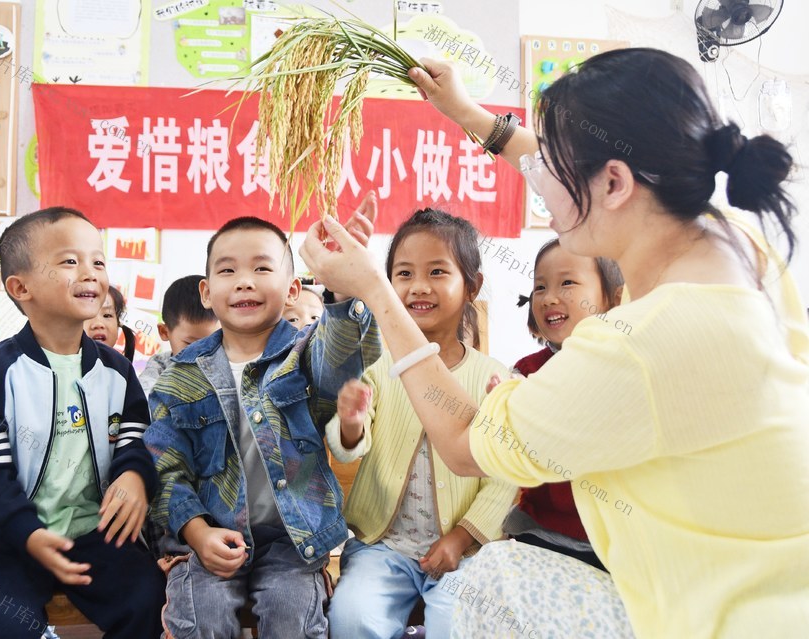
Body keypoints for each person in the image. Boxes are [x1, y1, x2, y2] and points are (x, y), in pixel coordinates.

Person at [299, 48, 809, 638]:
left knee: (495, 579)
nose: (544, 188)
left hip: (731, 617)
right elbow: (554, 167)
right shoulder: (731, 239)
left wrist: (373, 290)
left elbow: (465, 443)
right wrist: (468, 114)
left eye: (559, 171)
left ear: (614, 181)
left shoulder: (635, 348)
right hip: (781, 579)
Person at [144, 213, 381, 639]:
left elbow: (342, 357)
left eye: (262, 267)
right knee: (201, 617)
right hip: (209, 536)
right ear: (206, 291)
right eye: (228, 269)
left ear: (292, 290)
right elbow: (164, 468)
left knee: (292, 615)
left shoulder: (306, 355)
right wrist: (197, 534)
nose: (244, 281)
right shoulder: (179, 376)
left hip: (293, 540)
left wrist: (345, 285)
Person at [0, 207, 165, 639]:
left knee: (149, 601)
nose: (90, 272)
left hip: (93, 533)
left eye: (98, 261)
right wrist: (25, 533)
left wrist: (136, 476)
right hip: (8, 540)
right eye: (69, 261)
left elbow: (137, 439)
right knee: (6, 625)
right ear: (20, 287)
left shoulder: (116, 370)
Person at [326, 209, 517, 639]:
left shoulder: (494, 377)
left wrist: (462, 538)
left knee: (459, 624)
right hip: (382, 545)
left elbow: (504, 475)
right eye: (404, 273)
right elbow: (345, 448)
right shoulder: (377, 366)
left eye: (437, 272)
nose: (418, 287)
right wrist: (351, 423)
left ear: (473, 286)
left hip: (465, 552)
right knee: (353, 618)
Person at [502, 238, 623, 571]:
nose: (549, 297)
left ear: (613, 298)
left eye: (567, 282)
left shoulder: (626, 369)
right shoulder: (525, 372)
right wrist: (503, 407)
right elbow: (505, 452)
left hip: (614, 543)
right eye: (540, 286)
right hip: (539, 532)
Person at [138, 274, 219, 399]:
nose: (201, 355)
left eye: (213, 343)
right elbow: (146, 400)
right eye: (190, 344)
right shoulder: (159, 367)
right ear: (165, 332)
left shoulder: (228, 365)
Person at [84, 285, 137, 361]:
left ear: (118, 324)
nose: (99, 324)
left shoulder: (122, 370)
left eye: (107, 315)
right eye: (88, 315)